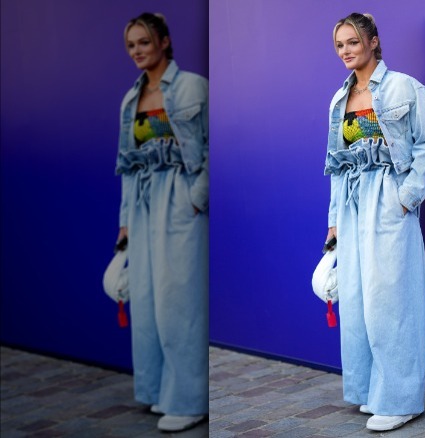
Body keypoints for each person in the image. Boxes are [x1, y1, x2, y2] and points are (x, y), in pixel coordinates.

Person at [324, 12, 425, 432]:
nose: (346, 51)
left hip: (389, 200)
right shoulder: (339, 100)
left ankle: (401, 399)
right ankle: (371, 390)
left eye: (353, 42)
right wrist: (334, 223)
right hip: (353, 204)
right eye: (339, 44)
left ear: (374, 41)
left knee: (392, 300)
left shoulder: (404, 87)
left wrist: (406, 198)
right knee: (357, 300)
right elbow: (338, 166)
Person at [115, 12, 208, 433]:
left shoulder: (193, 86)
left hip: (179, 199)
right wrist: (125, 223)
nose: (137, 51)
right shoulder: (129, 100)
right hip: (141, 203)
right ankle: (158, 391)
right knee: (149, 301)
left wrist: (197, 197)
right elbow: (127, 163)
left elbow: (212, 143)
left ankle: (190, 400)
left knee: (179, 301)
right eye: (131, 44)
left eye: (144, 42)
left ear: (165, 42)